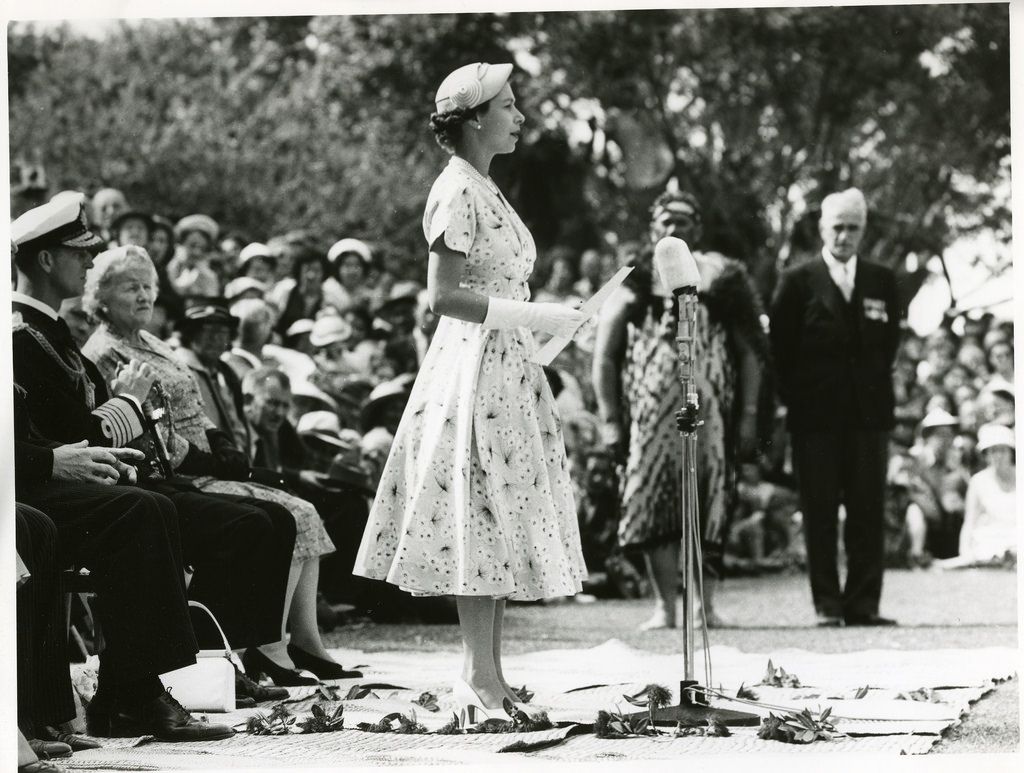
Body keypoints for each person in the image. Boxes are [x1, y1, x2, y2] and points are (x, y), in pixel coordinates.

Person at [352, 62, 588, 726]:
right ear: (476, 118)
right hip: (473, 368)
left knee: (501, 515)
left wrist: (543, 325)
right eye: (509, 106)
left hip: (507, 368)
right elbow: (444, 296)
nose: (520, 116)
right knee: (477, 517)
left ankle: (492, 672)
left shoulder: (485, 187)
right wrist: (536, 315)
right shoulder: (456, 189)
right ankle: (479, 676)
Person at [10, 196, 296, 708]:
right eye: (79, 254)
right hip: (40, 488)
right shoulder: (20, 337)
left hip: (80, 478)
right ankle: (134, 691)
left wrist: (126, 409)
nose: (90, 262)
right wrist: (130, 403)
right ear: (47, 260)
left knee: (236, 514)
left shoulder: (50, 331)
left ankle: (192, 673)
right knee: (146, 510)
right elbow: (80, 435)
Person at [81, 245, 347, 685]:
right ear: (102, 296)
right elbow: (150, 431)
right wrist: (207, 456)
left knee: (299, 511)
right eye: (131, 287)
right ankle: (266, 646)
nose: (145, 296)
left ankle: (298, 640)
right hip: (176, 472)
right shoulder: (106, 352)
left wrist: (219, 435)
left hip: (206, 460)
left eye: (149, 286)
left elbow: (191, 402)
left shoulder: (151, 342)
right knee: (290, 515)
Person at [592, 184, 769, 630]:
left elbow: (750, 350)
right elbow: (605, 356)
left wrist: (749, 414)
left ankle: (703, 606)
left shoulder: (724, 276)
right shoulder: (633, 278)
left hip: (711, 414)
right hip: (650, 418)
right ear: (653, 228)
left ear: (699, 228)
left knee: (710, 501)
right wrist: (612, 421)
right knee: (651, 501)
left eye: (683, 222)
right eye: (666, 222)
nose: (674, 229)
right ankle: (665, 608)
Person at [770, 188, 901, 626]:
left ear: (864, 230)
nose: (845, 236)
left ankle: (864, 604)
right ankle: (827, 604)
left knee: (868, 510)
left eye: (853, 228)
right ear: (822, 229)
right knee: (820, 512)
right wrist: (798, 402)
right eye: (837, 227)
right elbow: (780, 353)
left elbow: (888, 349)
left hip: (868, 417)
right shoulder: (797, 280)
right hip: (817, 419)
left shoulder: (883, 280)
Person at [940, 423, 1016, 567]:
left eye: (1002, 450)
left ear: (1011, 452)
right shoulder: (978, 481)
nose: (998, 456)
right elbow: (970, 521)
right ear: (986, 455)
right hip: (990, 539)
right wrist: (964, 553)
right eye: (993, 451)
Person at [166, 214, 220, 299]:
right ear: (182, 244)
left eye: (202, 248)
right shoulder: (171, 266)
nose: (196, 253)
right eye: (192, 245)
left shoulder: (209, 274)